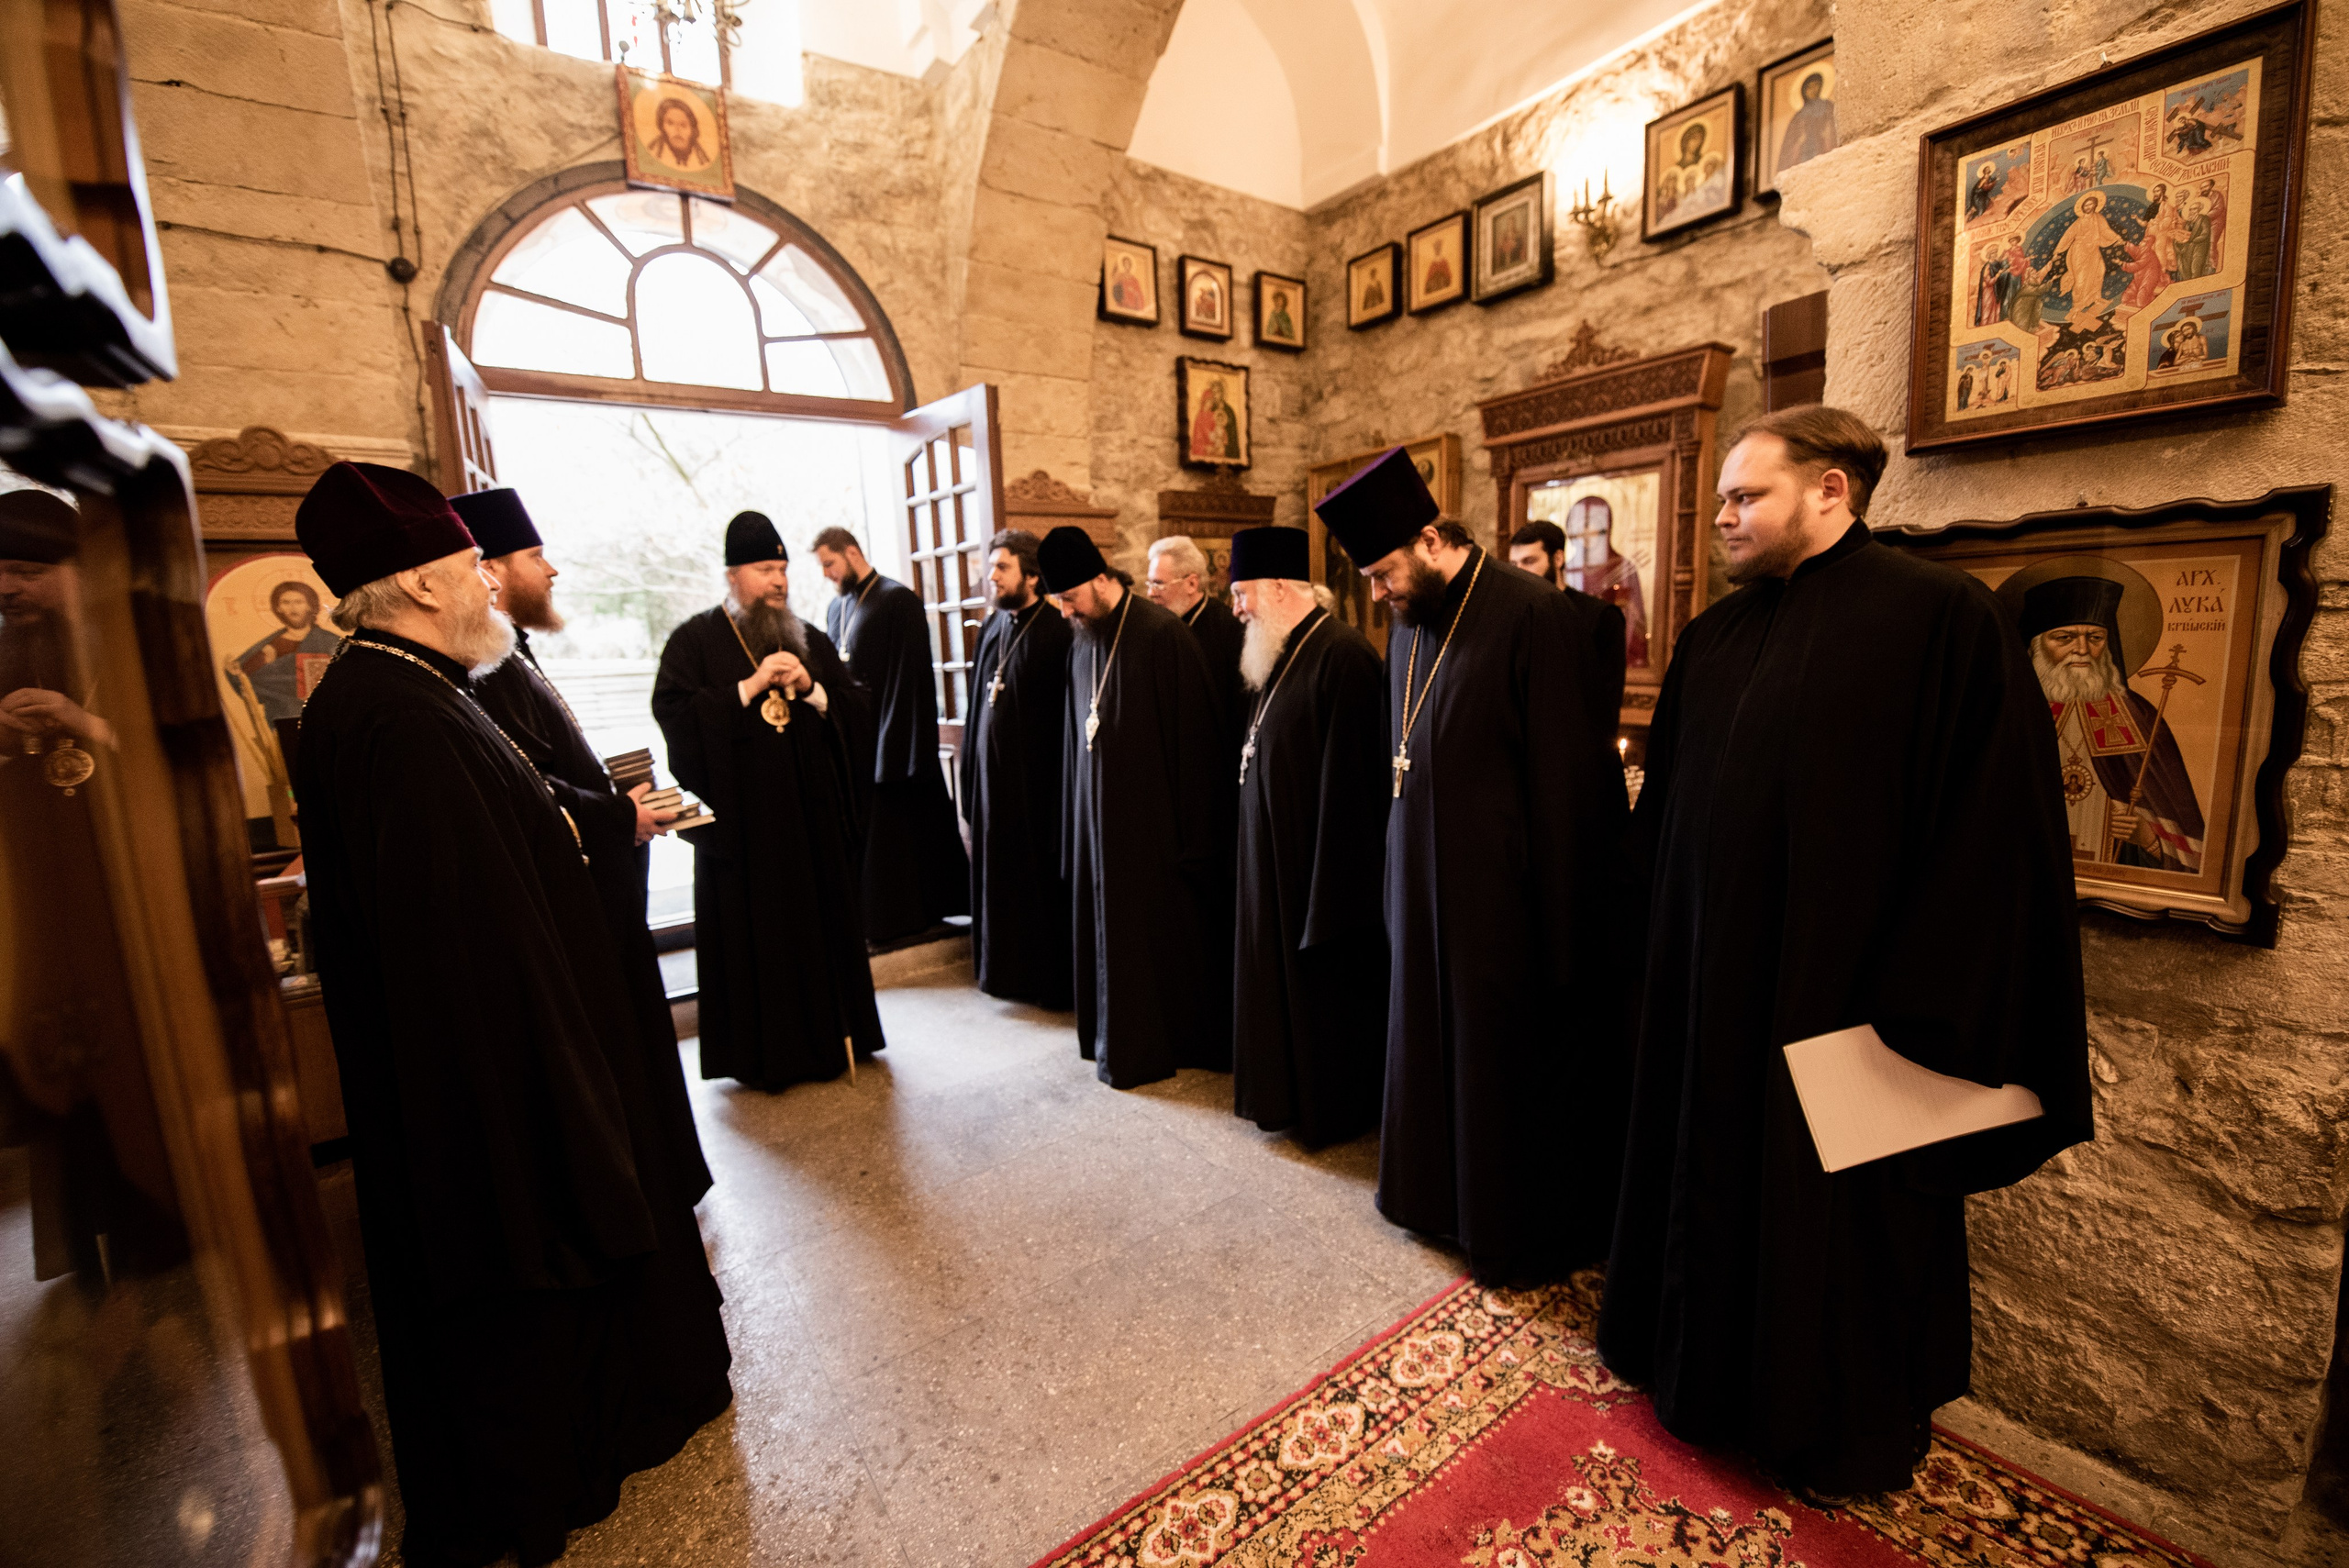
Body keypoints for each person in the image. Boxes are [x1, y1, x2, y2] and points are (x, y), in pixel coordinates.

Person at [1598, 406, 2092, 1494]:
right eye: (1722, 498)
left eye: (1745, 496)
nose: (1722, 517)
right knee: (1707, 1183)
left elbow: (1993, 836)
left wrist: (1910, 1002)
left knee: (1839, 1231)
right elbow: (1669, 813)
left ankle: (1837, 1434)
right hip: (1707, 995)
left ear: (1830, 490)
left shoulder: (1939, 619)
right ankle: (1702, 1382)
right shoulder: (1714, 638)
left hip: (1848, 1006)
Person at [293, 462, 731, 1567]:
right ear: (422, 586)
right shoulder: (400, 714)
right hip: (488, 1073)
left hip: (506, 1039)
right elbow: (462, 949)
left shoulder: (414, 685)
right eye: (469, 569)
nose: (488, 584)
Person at [1316, 449, 1631, 1283]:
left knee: (1495, 1069)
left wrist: (1566, 938)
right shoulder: (1411, 628)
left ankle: (1502, 1228)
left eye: (1384, 573)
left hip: (1505, 907)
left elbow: (1569, 790)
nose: (1379, 594)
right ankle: (1429, 1199)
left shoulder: (1532, 616)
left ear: (1429, 538)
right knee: (1424, 1046)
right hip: (1421, 894)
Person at [456, 485, 712, 1219]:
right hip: (577, 887)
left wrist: (617, 798)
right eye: (537, 555)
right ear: (493, 571)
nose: (552, 571)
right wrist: (613, 814)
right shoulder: (485, 663)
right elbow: (530, 788)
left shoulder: (511, 649)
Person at [652, 511, 885, 1090]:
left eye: (782, 569)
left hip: (810, 826)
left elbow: (857, 712)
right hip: (743, 833)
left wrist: (811, 689)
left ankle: (832, 1039)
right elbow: (675, 718)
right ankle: (766, 1059)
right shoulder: (694, 641)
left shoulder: (808, 636)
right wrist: (749, 688)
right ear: (733, 575)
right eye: (764, 570)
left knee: (817, 932)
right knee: (758, 943)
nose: (778, 581)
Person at [1041, 526, 1233, 1087]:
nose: (1066, 612)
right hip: (1098, 831)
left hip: (1153, 834)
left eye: (1071, 599)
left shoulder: (1162, 634)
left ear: (1101, 581)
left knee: (1155, 946)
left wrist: (1194, 841)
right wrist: (1075, 827)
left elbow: (1196, 746)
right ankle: (1107, 1038)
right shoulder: (1084, 636)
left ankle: (1163, 1046)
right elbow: (1076, 741)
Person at [1226, 527, 1388, 1147]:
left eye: (1242, 593)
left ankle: (1331, 1111)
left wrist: (1330, 897)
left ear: (1276, 587)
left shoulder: (1342, 655)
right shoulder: (1277, 651)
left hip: (1316, 878)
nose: (1236, 607)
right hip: (1272, 864)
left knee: (1323, 1002)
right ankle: (1282, 1098)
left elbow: (1352, 793)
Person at [813, 526, 970, 946]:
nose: (827, 573)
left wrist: (895, 747)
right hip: (854, 740)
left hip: (893, 739)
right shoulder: (836, 609)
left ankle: (906, 917)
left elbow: (909, 681)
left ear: (851, 552)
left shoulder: (896, 600)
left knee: (900, 833)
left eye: (830, 563)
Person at [2003, 567, 2204, 872]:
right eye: (2065, 637)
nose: (2083, 650)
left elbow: (2190, 844)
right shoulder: (2012, 712)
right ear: (2036, 646)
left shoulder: (2138, 717)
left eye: (2095, 637)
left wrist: (2148, 837)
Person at [959, 528, 1074, 1008]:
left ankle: (1041, 981)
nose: (992, 577)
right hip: (993, 786)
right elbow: (975, 709)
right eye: (991, 568)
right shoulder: (993, 627)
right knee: (997, 879)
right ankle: (1000, 974)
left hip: (1036, 788)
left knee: (1034, 884)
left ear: (1032, 574)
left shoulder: (1057, 631)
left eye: (1002, 568)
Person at [1506, 517, 1628, 733]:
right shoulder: (1510, 617)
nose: (1519, 572)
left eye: (1529, 561)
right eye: (1514, 565)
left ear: (1558, 558)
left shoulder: (1601, 618)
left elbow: (1605, 707)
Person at [1145, 534, 1245, 764]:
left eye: (1158, 584)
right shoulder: (1154, 628)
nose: (1150, 593)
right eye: (1149, 583)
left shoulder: (1229, 630)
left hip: (1215, 759)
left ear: (1191, 583)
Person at [225, 579, 340, 722]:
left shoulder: (331, 641)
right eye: (286, 602)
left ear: (310, 606)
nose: (293, 608)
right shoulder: (271, 645)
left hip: (326, 716)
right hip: (282, 717)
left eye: (299, 602)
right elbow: (244, 679)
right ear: (278, 608)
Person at [1777, 70, 1837, 171]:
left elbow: (1834, 130)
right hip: (1803, 153)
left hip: (1824, 149)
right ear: (1804, 90)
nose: (1813, 89)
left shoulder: (1828, 107)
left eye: (1816, 85)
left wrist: (1826, 133)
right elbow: (1789, 144)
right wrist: (1800, 140)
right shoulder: (1798, 116)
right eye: (1810, 87)